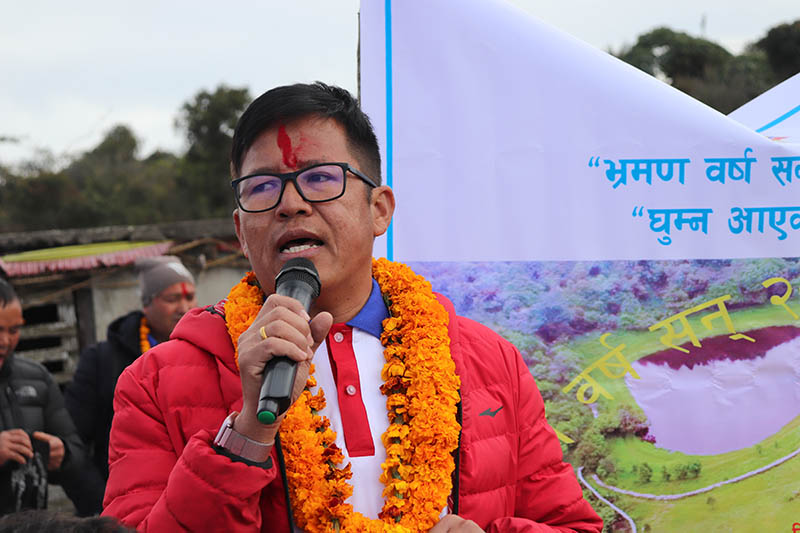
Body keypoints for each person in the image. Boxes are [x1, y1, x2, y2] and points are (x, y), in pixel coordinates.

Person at [103, 82, 603, 532]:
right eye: (262, 187)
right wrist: (248, 431)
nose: (290, 204)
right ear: (240, 231)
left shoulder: (491, 363)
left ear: (379, 210)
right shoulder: (154, 384)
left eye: (321, 178)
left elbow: (571, 525)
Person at [64, 257, 196, 515]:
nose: (184, 307)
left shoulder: (206, 352)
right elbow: (74, 444)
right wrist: (103, 509)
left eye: (190, 297)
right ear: (147, 303)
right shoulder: (102, 360)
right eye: (172, 299)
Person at [0, 278, 86, 516]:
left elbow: (78, 455)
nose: (5, 341)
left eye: (14, 330)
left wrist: (63, 454)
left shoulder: (37, 378)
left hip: (29, 524)